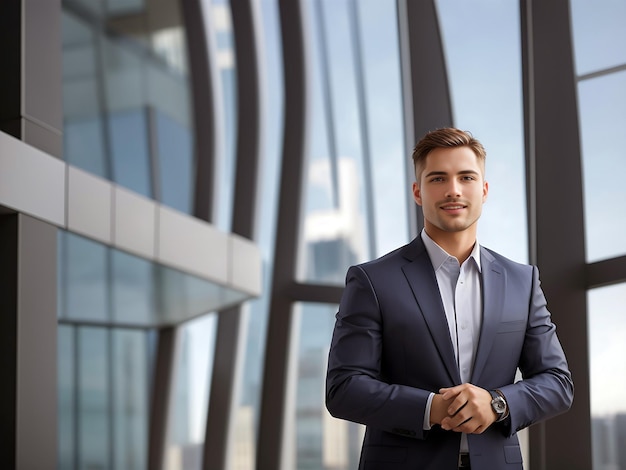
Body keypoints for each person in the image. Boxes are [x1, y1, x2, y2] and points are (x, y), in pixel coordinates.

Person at [325, 127, 573, 470]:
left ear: (484, 190)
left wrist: (497, 403)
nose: (453, 190)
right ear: (418, 192)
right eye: (438, 178)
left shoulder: (522, 281)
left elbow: (557, 383)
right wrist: (431, 408)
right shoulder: (373, 280)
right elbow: (344, 387)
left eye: (466, 177)